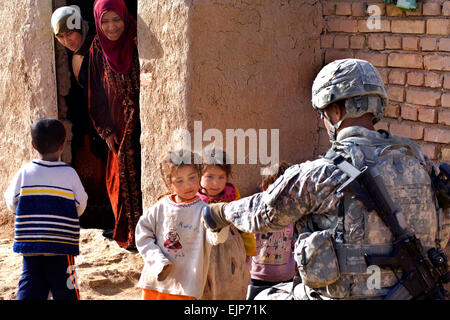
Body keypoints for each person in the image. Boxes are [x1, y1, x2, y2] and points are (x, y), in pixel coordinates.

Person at [202, 59, 450, 300]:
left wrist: (220, 212)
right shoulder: (419, 161)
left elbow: (263, 212)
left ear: (335, 110)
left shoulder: (325, 172)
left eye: (323, 114)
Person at [4, 118, 88, 300]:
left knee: (30, 283)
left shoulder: (25, 171)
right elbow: (81, 204)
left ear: (33, 145)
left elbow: (11, 201)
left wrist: (26, 214)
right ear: (62, 145)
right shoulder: (69, 173)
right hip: (61, 246)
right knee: (67, 288)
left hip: (31, 245)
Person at [135, 148, 229, 300]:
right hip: (155, 283)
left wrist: (219, 224)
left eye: (192, 178)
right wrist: (158, 261)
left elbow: (216, 239)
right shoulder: (161, 207)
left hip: (185, 286)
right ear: (168, 183)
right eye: (179, 181)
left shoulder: (204, 211)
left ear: (199, 176)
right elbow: (142, 234)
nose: (188, 185)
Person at [51, 6, 114, 232]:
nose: (67, 40)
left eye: (70, 33)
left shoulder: (98, 47)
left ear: (81, 27)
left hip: (109, 119)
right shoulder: (79, 52)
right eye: (60, 36)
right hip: (88, 121)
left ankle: (111, 220)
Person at [88, 0, 142, 249]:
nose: (111, 27)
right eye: (105, 21)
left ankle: (147, 234)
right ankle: (130, 233)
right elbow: (95, 91)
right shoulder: (97, 47)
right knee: (120, 180)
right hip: (117, 125)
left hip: (143, 121)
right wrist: (105, 129)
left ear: (125, 17)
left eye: (116, 19)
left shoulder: (136, 38)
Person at [197, 149, 252, 300]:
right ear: (199, 176)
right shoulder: (194, 199)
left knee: (230, 286)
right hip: (204, 252)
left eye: (221, 177)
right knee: (207, 287)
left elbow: (243, 224)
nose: (216, 183)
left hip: (231, 250)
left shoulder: (233, 195)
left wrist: (249, 250)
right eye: (210, 177)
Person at [246, 162, 298, 300]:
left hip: (285, 279)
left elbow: (296, 243)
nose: (281, 193)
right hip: (256, 277)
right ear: (265, 188)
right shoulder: (254, 213)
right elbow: (246, 242)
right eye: (276, 187)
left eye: (286, 188)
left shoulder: (295, 214)